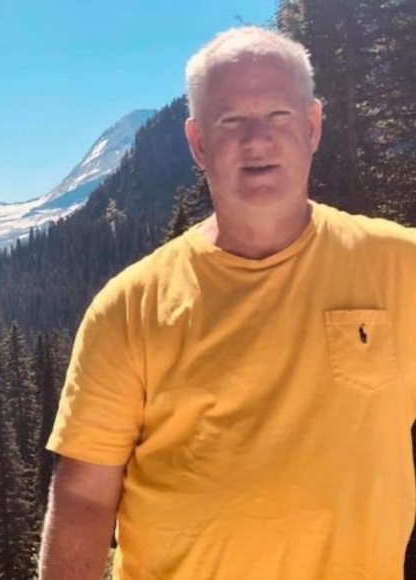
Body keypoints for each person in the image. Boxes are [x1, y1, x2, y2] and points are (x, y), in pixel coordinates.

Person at [39, 26, 416, 580]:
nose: (257, 140)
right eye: (231, 120)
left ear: (312, 126)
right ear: (198, 143)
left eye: (278, 115)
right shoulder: (130, 306)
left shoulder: (401, 267)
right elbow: (85, 498)